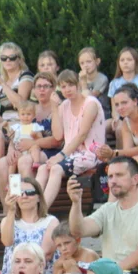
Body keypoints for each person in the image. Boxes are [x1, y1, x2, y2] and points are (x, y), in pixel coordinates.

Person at [35, 70, 105, 208]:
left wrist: (60, 156)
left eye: (70, 85)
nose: (67, 90)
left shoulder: (90, 104)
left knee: (55, 169)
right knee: (43, 169)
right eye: (63, 86)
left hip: (91, 154)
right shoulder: (64, 105)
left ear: (78, 85)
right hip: (71, 154)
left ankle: (42, 211)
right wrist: (55, 108)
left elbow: (82, 135)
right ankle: (32, 208)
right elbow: (58, 135)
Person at [0, 177, 58, 274]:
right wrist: (11, 210)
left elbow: (46, 253)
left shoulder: (51, 221)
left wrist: (21, 273)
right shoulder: (7, 220)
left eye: (30, 192)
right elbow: (7, 242)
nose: (24, 196)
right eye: (20, 193)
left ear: (39, 197)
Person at [0, 101, 47, 197]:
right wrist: (6, 127)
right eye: (23, 114)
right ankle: (11, 184)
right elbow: (10, 137)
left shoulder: (35, 126)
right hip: (19, 149)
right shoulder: (17, 127)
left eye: (28, 114)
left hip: (30, 149)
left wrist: (35, 136)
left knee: (36, 148)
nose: (26, 117)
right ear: (18, 115)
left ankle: (36, 162)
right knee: (13, 162)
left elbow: (40, 140)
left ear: (34, 115)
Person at [106, 46, 138, 112]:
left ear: (136, 62)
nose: (125, 62)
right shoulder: (114, 84)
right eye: (122, 60)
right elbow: (114, 109)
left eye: (129, 59)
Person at [77, 47, 109, 112]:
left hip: (102, 113)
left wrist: (83, 82)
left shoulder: (102, 79)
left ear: (97, 61)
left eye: (88, 62)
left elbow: (89, 99)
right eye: (82, 63)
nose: (85, 65)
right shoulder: (79, 78)